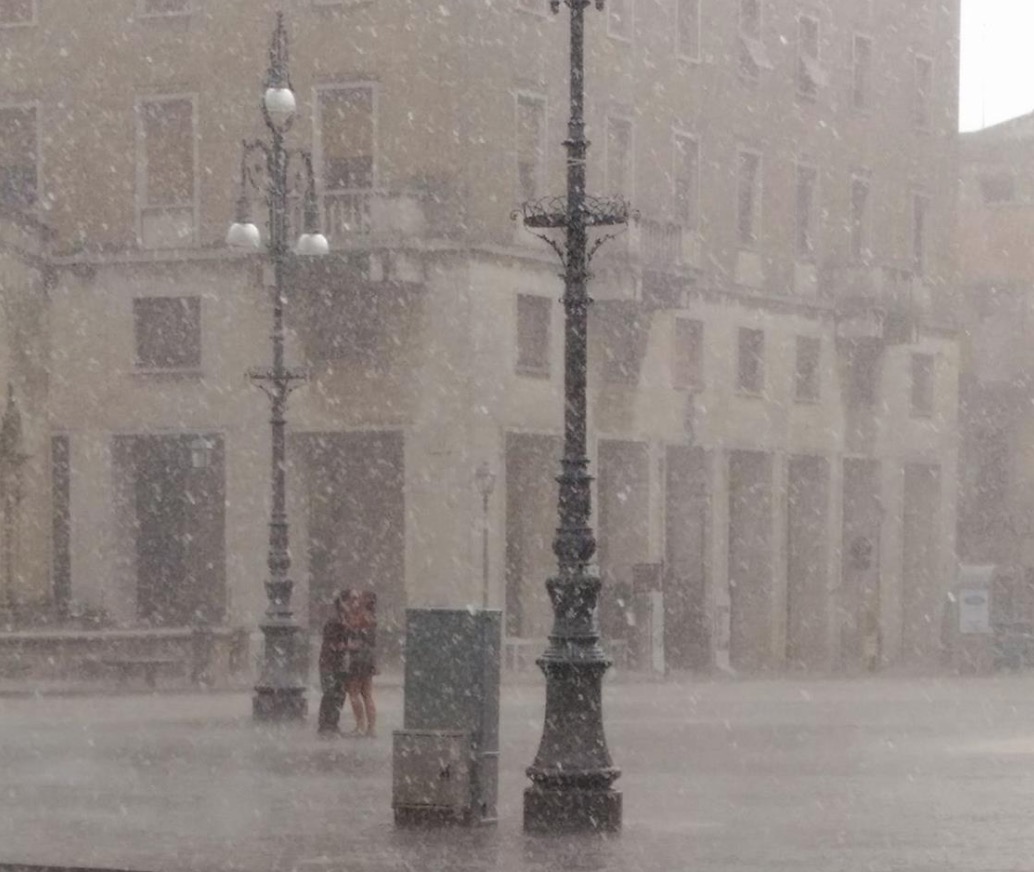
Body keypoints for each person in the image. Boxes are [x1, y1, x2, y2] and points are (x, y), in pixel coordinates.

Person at [316, 590, 351, 736]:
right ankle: (326, 725)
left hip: (337, 663)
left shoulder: (345, 619)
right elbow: (332, 643)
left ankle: (332, 723)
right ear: (341, 602)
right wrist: (344, 646)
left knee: (339, 694)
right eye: (349, 601)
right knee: (331, 693)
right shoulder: (335, 621)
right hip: (329, 663)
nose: (352, 604)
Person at [345, 589, 377, 737]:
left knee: (354, 693)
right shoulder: (372, 616)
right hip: (369, 658)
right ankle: (371, 728)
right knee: (367, 695)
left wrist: (348, 646)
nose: (357, 601)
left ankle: (360, 725)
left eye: (360, 598)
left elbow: (352, 632)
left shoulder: (361, 617)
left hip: (359, 658)